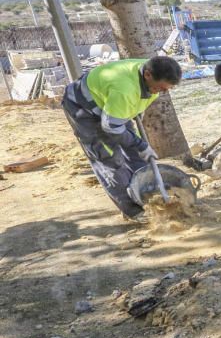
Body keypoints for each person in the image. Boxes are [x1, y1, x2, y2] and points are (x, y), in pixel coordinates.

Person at [61, 56, 182, 219]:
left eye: (167, 89)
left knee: (137, 155)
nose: (163, 92)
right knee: (110, 159)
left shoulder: (154, 72)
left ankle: (148, 194)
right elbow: (111, 127)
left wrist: (138, 144)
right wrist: (140, 144)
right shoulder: (124, 90)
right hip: (83, 109)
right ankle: (133, 210)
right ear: (147, 75)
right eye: (161, 88)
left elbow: (123, 115)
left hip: (113, 107)